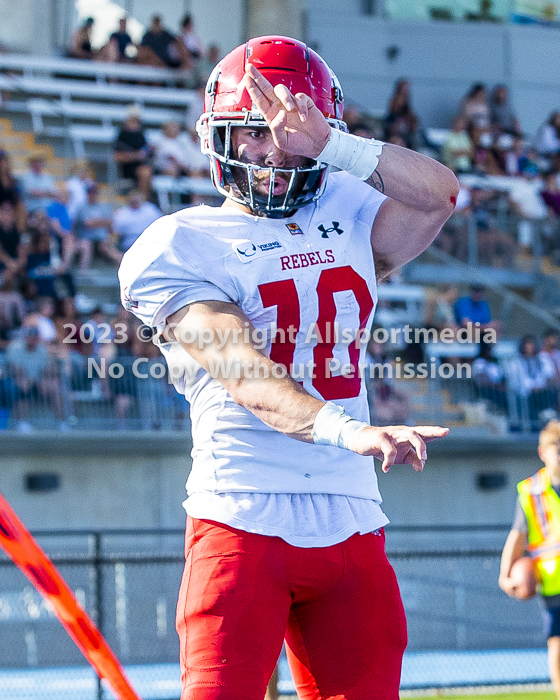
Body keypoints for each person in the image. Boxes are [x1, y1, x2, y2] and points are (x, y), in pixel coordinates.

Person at [119, 36, 455, 700]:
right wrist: (349, 432)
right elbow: (243, 373)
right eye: (251, 133)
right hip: (240, 518)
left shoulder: (347, 212)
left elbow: (441, 195)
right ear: (216, 138)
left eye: (286, 136)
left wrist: (332, 145)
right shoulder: (181, 243)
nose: (271, 152)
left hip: (353, 519)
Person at [499, 419, 560, 697]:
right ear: (542, 452)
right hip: (553, 583)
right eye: (556, 447)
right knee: (557, 645)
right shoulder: (530, 491)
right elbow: (518, 535)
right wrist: (505, 574)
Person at [113, 112, 153, 198]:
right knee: (145, 172)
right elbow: (117, 156)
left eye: (136, 121)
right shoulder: (122, 137)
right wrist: (136, 156)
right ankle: (144, 200)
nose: (135, 124)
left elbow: (147, 151)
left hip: (144, 165)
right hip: (128, 168)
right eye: (132, 121)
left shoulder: (142, 135)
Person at [112, 190, 160, 254]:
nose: (134, 203)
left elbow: (160, 225)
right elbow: (116, 232)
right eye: (133, 201)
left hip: (150, 241)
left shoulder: (151, 209)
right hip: (129, 244)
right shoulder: (121, 213)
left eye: (136, 201)